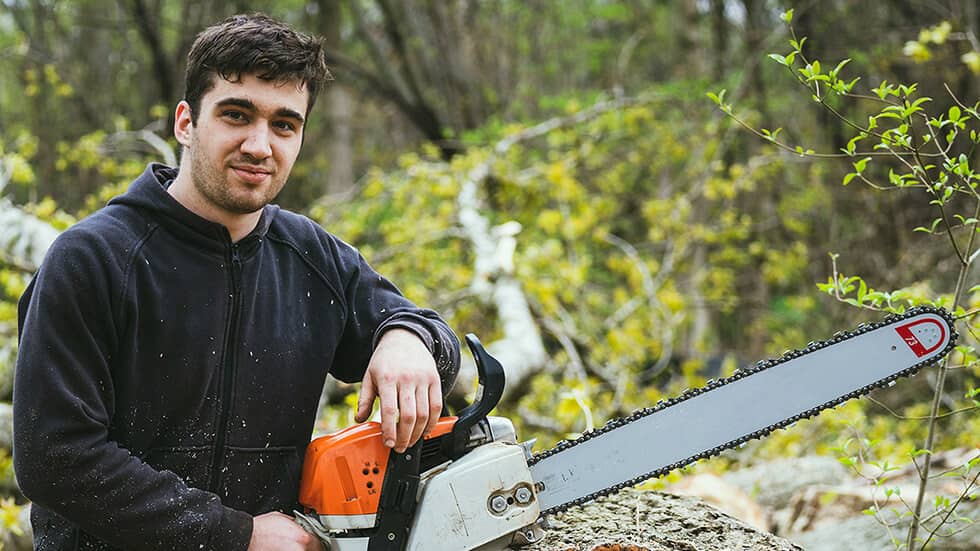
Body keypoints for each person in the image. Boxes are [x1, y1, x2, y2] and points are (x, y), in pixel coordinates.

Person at [12, 13, 460, 551]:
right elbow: (55, 458)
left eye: (283, 125)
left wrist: (408, 337)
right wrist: (234, 535)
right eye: (236, 115)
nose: (259, 144)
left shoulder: (311, 257)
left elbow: (430, 333)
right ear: (185, 122)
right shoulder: (95, 259)